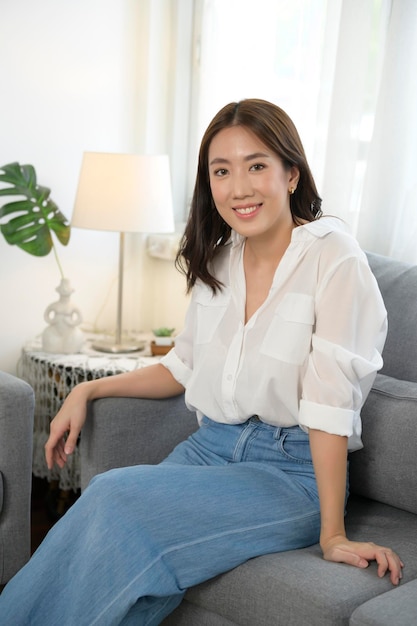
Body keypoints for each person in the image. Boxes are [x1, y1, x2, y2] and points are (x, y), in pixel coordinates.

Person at [0, 99, 403, 625]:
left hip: (289, 472)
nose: (239, 187)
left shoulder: (335, 257)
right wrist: (86, 390)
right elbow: (182, 366)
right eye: (221, 170)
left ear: (291, 174)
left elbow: (330, 406)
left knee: (114, 495)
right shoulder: (219, 258)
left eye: (257, 165)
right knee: (125, 555)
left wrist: (332, 535)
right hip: (208, 448)